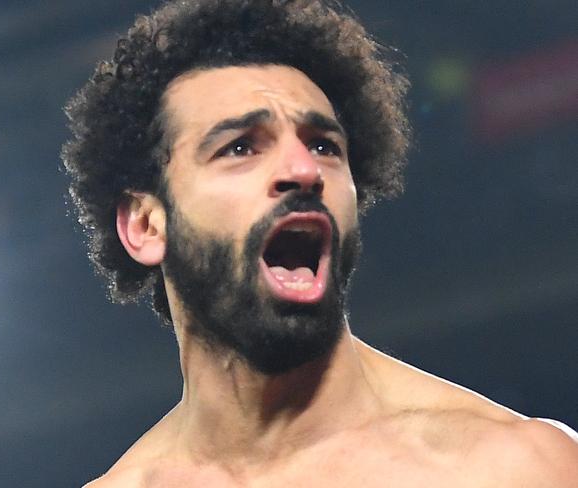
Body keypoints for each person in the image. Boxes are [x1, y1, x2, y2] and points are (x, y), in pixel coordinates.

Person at [62, 0, 578, 486]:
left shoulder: (512, 468)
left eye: (324, 146)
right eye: (239, 147)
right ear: (146, 225)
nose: (305, 170)